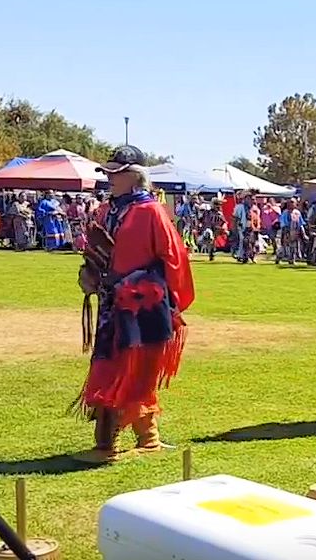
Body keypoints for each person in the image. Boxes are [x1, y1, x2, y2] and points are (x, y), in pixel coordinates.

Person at [74, 146, 195, 463]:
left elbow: (174, 256)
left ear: (134, 176)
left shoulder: (151, 211)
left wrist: (173, 302)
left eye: (116, 173)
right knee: (110, 363)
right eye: (108, 172)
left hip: (142, 304)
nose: (110, 178)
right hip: (111, 303)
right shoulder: (107, 210)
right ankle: (146, 438)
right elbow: (96, 253)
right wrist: (88, 274)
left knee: (129, 369)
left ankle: (110, 445)